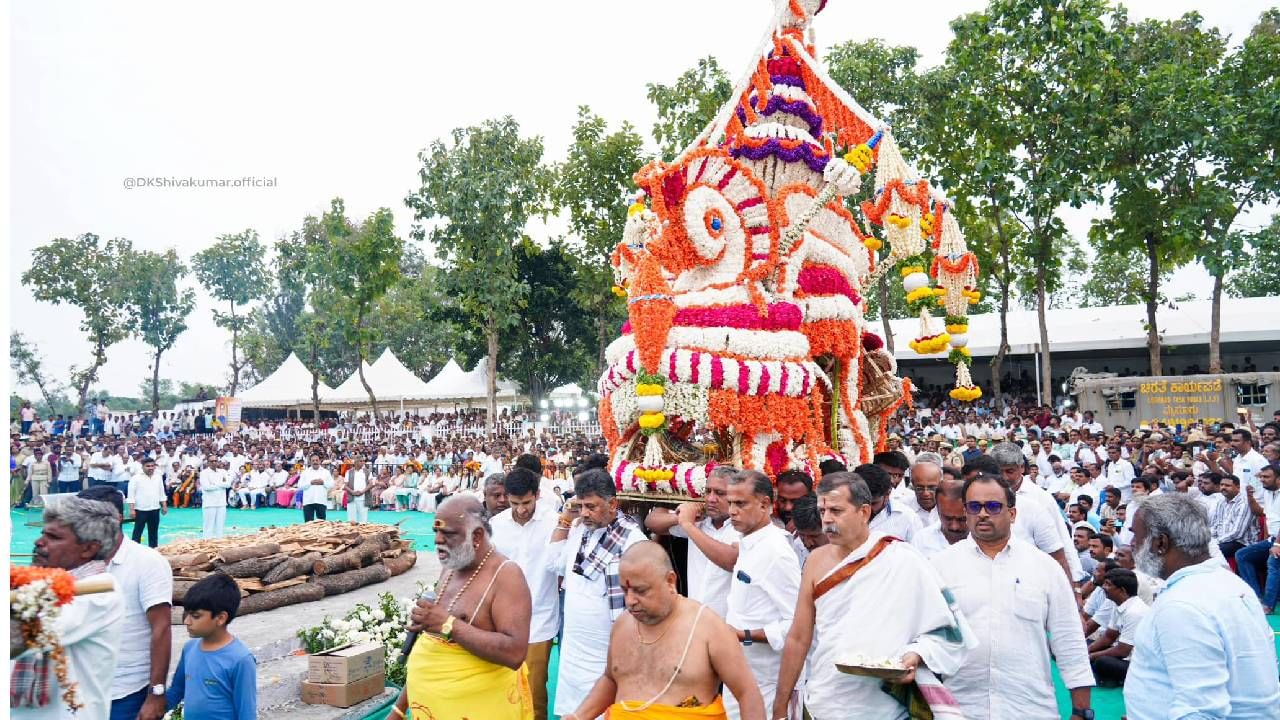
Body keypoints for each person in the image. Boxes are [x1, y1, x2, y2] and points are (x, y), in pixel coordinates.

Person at [773, 472, 970, 720]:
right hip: (825, 697)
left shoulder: (902, 558)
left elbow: (949, 629)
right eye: (823, 511)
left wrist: (916, 655)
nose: (827, 521)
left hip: (882, 705)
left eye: (836, 511)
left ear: (864, 512)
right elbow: (798, 638)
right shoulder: (815, 561)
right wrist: (780, 705)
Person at [932, 473, 1093, 720]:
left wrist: (1082, 712)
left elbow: (1069, 640)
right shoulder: (941, 567)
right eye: (975, 506)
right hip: (961, 709)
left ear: (1013, 514)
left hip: (1029, 708)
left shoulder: (1044, 567)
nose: (983, 513)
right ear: (966, 512)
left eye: (993, 506)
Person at [564, 542, 765, 720]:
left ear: (670, 581)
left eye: (640, 591)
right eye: (625, 591)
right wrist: (579, 715)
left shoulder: (708, 627)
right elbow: (612, 678)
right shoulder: (622, 625)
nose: (630, 601)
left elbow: (747, 692)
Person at [1123, 493, 1280, 718]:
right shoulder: (1233, 585)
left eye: (1135, 536)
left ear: (1161, 543)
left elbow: (1200, 711)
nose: (1131, 545)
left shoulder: (1182, 606)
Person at [395, 495, 534, 720]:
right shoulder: (452, 566)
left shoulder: (506, 575)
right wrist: (398, 710)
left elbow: (515, 652)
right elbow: (433, 646)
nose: (438, 540)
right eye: (436, 532)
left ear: (476, 535)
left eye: (448, 534)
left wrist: (448, 624)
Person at [13, 496, 125, 720]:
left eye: (53, 537)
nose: (39, 542)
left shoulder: (98, 593)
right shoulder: (39, 584)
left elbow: (14, 641)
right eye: (43, 533)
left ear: (88, 549)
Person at [549, 469, 646, 716]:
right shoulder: (580, 529)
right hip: (573, 651)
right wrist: (565, 519)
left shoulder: (633, 540)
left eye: (591, 506)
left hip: (609, 653)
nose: (584, 513)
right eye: (580, 505)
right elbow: (553, 563)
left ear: (612, 504)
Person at [77, 486, 174, 720]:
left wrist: (156, 693)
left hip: (126, 693)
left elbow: (161, 629)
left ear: (118, 518)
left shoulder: (147, 562)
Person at [723, 470, 801, 718]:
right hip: (738, 671)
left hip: (764, 682)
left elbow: (796, 624)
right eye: (730, 503)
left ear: (765, 504)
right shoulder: (749, 542)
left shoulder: (776, 553)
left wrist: (744, 635)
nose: (732, 511)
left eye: (740, 503)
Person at [491, 467, 562, 720]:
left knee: (533, 690)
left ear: (537, 495)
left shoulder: (554, 522)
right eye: (514, 503)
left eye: (527, 503)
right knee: (501, 686)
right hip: (501, 620)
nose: (521, 509)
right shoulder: (496, 526)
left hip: (540, 617)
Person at [644, 466, 742, 618]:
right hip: (694, 620)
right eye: (708, 491)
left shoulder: (742, 526)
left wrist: (688, 525)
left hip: (728, 626)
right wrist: (680, 518)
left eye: (720, 493)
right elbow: (652, 522)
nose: (711, 498)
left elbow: (731, 561)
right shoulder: (699, 521)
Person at [165, 573, 257, 720]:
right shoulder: (189, 649)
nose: (187, 621)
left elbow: (246, 713)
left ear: (220, 618)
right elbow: (176, 691)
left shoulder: (241, 660)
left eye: (195, 616)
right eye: (186, 614)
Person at [1086, 568, 1148, 687]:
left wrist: (1091, 656)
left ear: (1122, 590)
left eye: (1108, 584)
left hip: (1138, 663)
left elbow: (1123, 651)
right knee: (1088, 647)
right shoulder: (1118, 604)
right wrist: (1086, 651)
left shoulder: (1135, 612)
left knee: (1101, 661)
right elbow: (1109, 636)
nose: (1103, 587)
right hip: (1124, 655)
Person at [1234, 462, 1280, 613]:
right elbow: (1259, 512)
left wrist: (1277, 545)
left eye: (1266, 477)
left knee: (1273, 563)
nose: (1262, 480)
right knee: (1242, 555)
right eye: (1261, 477)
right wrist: (1249, 496)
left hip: (1278, 541)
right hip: (1273, 538)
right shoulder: (1268, 492)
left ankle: (1267, 606)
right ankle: (1255, 598)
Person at [911, 477, 969, 558]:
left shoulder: (984, 540)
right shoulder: (921, 539)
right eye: (948, 518)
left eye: (962, 519)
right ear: (937, 510)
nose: (954, 527)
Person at [1209, 474, 1256, 559]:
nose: (1223, 487)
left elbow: (1237, 533)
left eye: (1227, 485)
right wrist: (1208, 538)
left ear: (1238, 487)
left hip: (1241, 543)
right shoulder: (1221, 502)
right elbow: (1216, 525)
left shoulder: (1244, 504)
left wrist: (1216, 542)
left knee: (1212, 552)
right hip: (1223, 541)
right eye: (1222, 485)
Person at [127, 457, 167, 548]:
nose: (150, 468)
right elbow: (131, 496)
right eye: (148, 466)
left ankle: (154, 550)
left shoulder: (158, 477)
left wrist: (164, 506)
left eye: (152, 466)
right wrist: (132, 510)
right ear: (142, 467)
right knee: (138, 531)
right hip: (141, 509)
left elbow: (162, 493)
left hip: (155, 509)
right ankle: (134, 550)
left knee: (153, 532)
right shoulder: (135, 478)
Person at [198, 459, 231, 539]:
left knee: (220, 525)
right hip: (209, 503)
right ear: (208, 463)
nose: (214, 462)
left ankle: (219, 541)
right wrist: (221, 484)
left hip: (221, 502)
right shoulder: (204, 473)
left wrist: (214, 483)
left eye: (215, 461)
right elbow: (206, 487)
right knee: (209, 525)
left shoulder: (223, 472)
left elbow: (228, 484)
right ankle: (207, 542)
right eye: (212, 461)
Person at [904, 459, 942, 526]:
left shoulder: (950, 508)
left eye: (932, 488)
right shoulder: (903, 510)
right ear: (913, 484)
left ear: (940, 484)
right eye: (920, 488)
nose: (926, 493)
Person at [298, 455, 333, 522]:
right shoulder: (305, 472)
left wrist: (323, 482)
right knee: (308, 523)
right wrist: (310, 483)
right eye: (313, 460)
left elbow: (331, 485)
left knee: (322, 524)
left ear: (320, 461)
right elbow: (300, 486)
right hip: (308, 501)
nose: (315, 462)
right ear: (310, 462)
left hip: (321, 500)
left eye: (317, 460)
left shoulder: (325, 472)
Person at [345, 456, 371, 523]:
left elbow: (371, 484)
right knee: (351, 521)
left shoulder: (367, 472)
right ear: (355, 462)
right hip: (352, 498)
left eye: (363, 461)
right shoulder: (349, 472)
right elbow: (345, 486)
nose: (363, 462)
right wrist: (352, 492)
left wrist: (362, 492)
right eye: (361, 461)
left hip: (363, 498)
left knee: (363, 521)